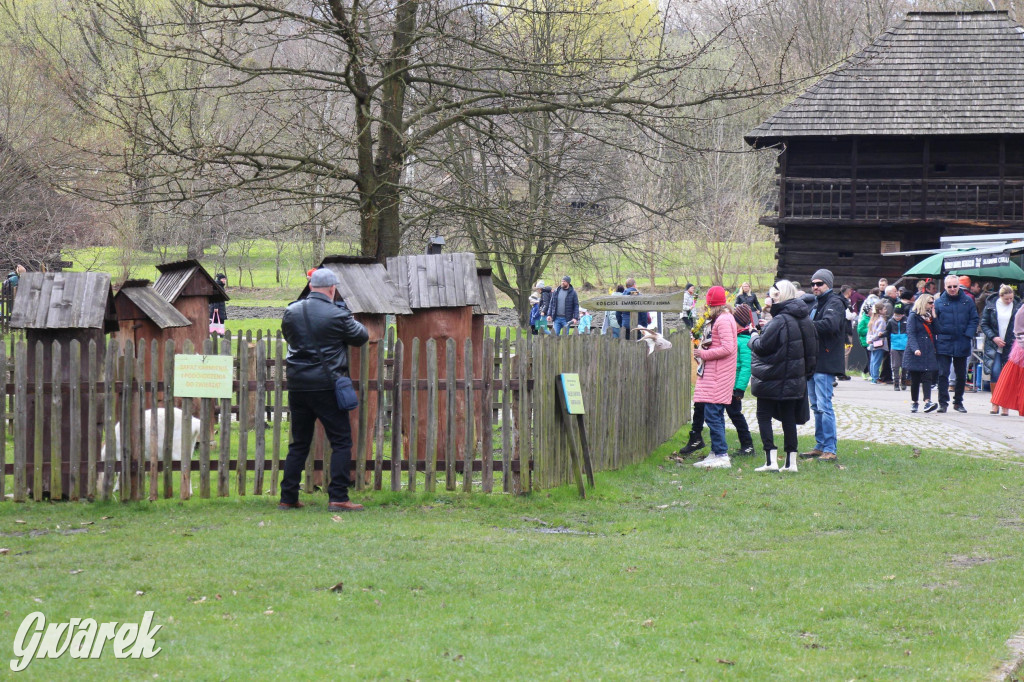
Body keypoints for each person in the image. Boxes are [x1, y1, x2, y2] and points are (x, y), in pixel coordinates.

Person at [279, 268, 369, 511]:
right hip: (326, 385)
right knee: (340, 441)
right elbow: (361, 336)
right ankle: (338, 497)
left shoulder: (291, 311)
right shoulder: (337, 315)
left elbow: (290, 336)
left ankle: (288, 497)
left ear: (310, 287)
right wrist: (346, 316)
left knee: (299, 443)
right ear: (333, 289)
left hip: (298, 385)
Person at [749, 280, 817, 472]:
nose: (771, 299)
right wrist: (804, 375)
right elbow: (812, 352)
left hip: (772, 376)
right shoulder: (805, 319)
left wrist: (754, 336)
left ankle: (771, 460)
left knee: (763, 415)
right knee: (788, 417)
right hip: (795, 378)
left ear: (782, 296)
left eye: (774, 295)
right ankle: (791, 462)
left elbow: (762, 346)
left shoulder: (779, 321)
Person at [678, 304, 756, 457]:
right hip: (723, 381)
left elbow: (746, 367)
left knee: (734, 414)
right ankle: (697, 436)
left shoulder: (744, 341)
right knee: (702, 407)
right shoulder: (736, 336)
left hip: (732, 385)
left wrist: (739, 388)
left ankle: (747, 445)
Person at [801, 268, 846, 462]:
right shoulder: (816, 303)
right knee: (816, 406)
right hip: (813, 362)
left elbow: (830, 325)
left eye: (819, 283)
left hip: (825, 362)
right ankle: (820, 445)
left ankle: (830, 448)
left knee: (825, 406)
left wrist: (805, 326)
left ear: (829, 284)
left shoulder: (834, 302)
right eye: (813, 284)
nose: (815, 287)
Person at [691, 286, 738, 469]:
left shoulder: (724, 320)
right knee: (713, 414)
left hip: (718, 375)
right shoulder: (722, 319)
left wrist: (703, 353)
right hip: (714, 374)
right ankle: (716, 451)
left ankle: (721, 454)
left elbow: (728, 348)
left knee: (712, 415)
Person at [932, 274, 979, 413]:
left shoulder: (968, 301)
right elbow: (935, 321)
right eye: (949, 286)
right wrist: (939, 333)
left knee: (961, 374)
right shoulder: (939, 302)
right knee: (943, 373)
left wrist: (968, 335)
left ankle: (958, 402)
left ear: (959, 286)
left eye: (955, 286)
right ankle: (943, 402)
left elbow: (974, 319)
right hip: (944, 341)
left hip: (962, 340)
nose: (952, 289)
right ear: (945, 287)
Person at [981, 284, 1022, 415]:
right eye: (1006, 299)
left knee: (1008, 376)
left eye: (1011, 298)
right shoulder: (991, 306)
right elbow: (984, 324)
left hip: (1010, 345)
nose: (1009, 301)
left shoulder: (1017, 306)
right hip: (994, 344)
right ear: (1000, 296)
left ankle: (1005, 405)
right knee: (995, 372)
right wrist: (994, 337)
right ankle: (995, 402)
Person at [904, 294, 939, 413]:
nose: (932, 305)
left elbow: (938, 330)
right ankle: (914, 402)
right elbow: (911, 334)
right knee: (915, 378)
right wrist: (915, 349)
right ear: (923, 303)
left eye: (933, 302)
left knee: (927, 376)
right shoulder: (913, 316)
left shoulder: (930, 317)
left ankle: (927, 401)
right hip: (916, 349)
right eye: (930, 302)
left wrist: (934, 317)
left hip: (928, 349)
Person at [991, 303, 1024, 417]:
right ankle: (1000, 404)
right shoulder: (1022, 310)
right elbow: (1018, 329)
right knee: (1011, 379)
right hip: (1022, 349)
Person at [885, 301, 910, 391]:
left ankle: (903, 381)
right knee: (895, 365)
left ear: (903, 315)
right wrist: (881, 335)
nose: (897, 317)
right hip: (895, 346)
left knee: (904, 365)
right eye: (896, 315)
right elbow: (887, 332)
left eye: (899, 315)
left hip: (905, 346)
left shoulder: (907, 321)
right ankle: (896, 382)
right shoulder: (891, 321)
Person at [866, 301, 888, 384]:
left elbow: (869, 332)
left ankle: (873, 376)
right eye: (884, 309)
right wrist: (874, 339)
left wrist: (869, 340)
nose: (885, 310)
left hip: (871, 342)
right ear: (880, 311)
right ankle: (875, 378)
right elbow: (879, 333)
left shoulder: (872, 320)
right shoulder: (881, 321)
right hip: (879, 343)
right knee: (877, 361)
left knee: (872, 360)